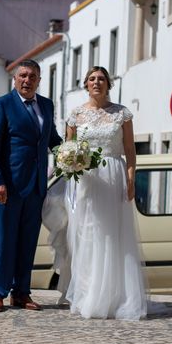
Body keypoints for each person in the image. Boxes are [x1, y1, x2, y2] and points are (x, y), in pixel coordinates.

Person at [64, 66, 147, 320]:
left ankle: (116, 297)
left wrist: (131, 177)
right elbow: (68, 148)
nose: (96, 82)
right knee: (89, 234)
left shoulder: (122, 114)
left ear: (108, 84)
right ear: (86, 84)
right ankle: (89, 294)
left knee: (113, 235)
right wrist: (70, 164)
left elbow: (130, 149)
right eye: (91, 79)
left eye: (101, 79)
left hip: (113, 174)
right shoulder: (76, 114)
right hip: (87, 179)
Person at [0, 59, 62, 313]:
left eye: (33, 76)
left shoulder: (47, 106)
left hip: (37, 186)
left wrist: (72, 155)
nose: (27, 80)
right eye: (23, 76)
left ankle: (21, 293)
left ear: (39, 80)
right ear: (15, 79)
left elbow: (52, 140)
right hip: (8, 187)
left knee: (27, 243)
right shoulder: (2, 105)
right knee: (5, 241)